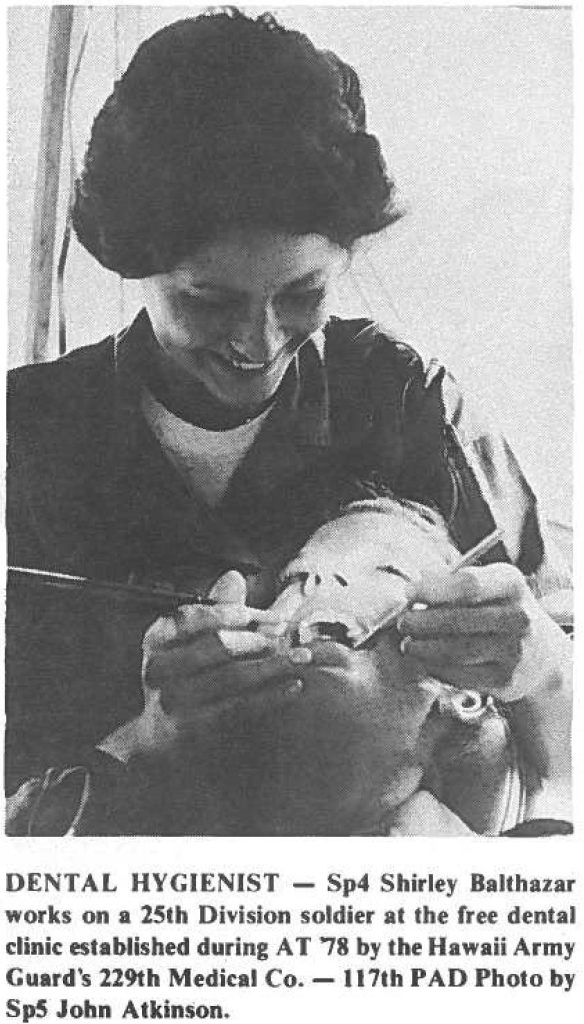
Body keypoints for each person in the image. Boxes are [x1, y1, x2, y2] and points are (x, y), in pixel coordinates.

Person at [6, 9, 571, 836]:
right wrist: (148, 737)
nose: (258, 343)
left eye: (303, 294)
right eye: (210, 301)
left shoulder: (407, 404)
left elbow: (561, 730)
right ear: (133, 265)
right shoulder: (29, 439)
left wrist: (545, 671)